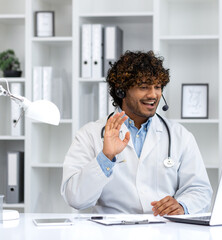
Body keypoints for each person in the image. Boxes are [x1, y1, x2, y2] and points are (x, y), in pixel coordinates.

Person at [61, 50, 213, 216]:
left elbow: (201, 190)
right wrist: (106, 157)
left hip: (163, 230)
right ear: (121, 91)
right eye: (144, 87)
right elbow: (75, 198)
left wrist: (183, 205)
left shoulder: (180, 135)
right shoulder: (90, 134)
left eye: (157, 87)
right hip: (113, 232)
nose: (153, 95)